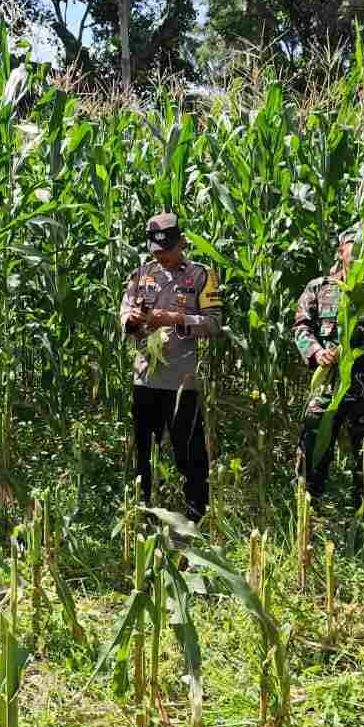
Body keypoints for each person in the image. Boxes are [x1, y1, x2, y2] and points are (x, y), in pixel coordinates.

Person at [119, 213, 223, 524]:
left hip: (182, 382)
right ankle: (143, 510)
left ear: (180, 242)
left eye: (166, 249)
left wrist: (176, 319)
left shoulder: (201, 276)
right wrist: (133, 321)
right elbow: (125, 312)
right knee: (143, 452)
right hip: (145, 378)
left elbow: (214, 323)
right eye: (155, 250)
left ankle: (196, 517)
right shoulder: (141, 274)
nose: (160, 256)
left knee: (189, 454)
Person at [293, 227, 364, 509]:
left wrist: (351, 342)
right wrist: (317, 352)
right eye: (354, 247)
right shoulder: (318, 287)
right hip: (327, 385)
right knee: (313, 443)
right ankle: (306, 510)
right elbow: (301, 326)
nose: (361, 254)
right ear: (341, 252)